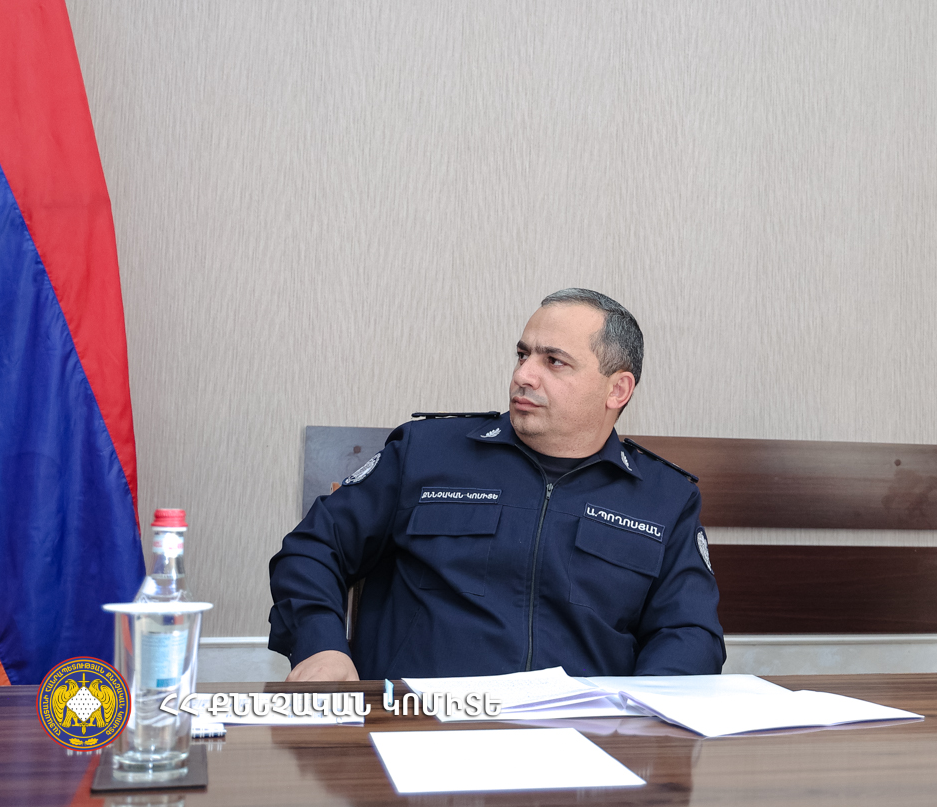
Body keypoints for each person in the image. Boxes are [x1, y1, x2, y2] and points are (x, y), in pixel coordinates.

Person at [269, 289, 725, 680]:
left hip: (581, 734)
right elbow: (313, 549)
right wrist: (319, 645)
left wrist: (641, 718)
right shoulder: (426, 453)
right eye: (523, 355)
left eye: (554, 362)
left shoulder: (665, 499)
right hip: (419, 726)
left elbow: (689, 633)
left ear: (617, 390)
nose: (523, 375)